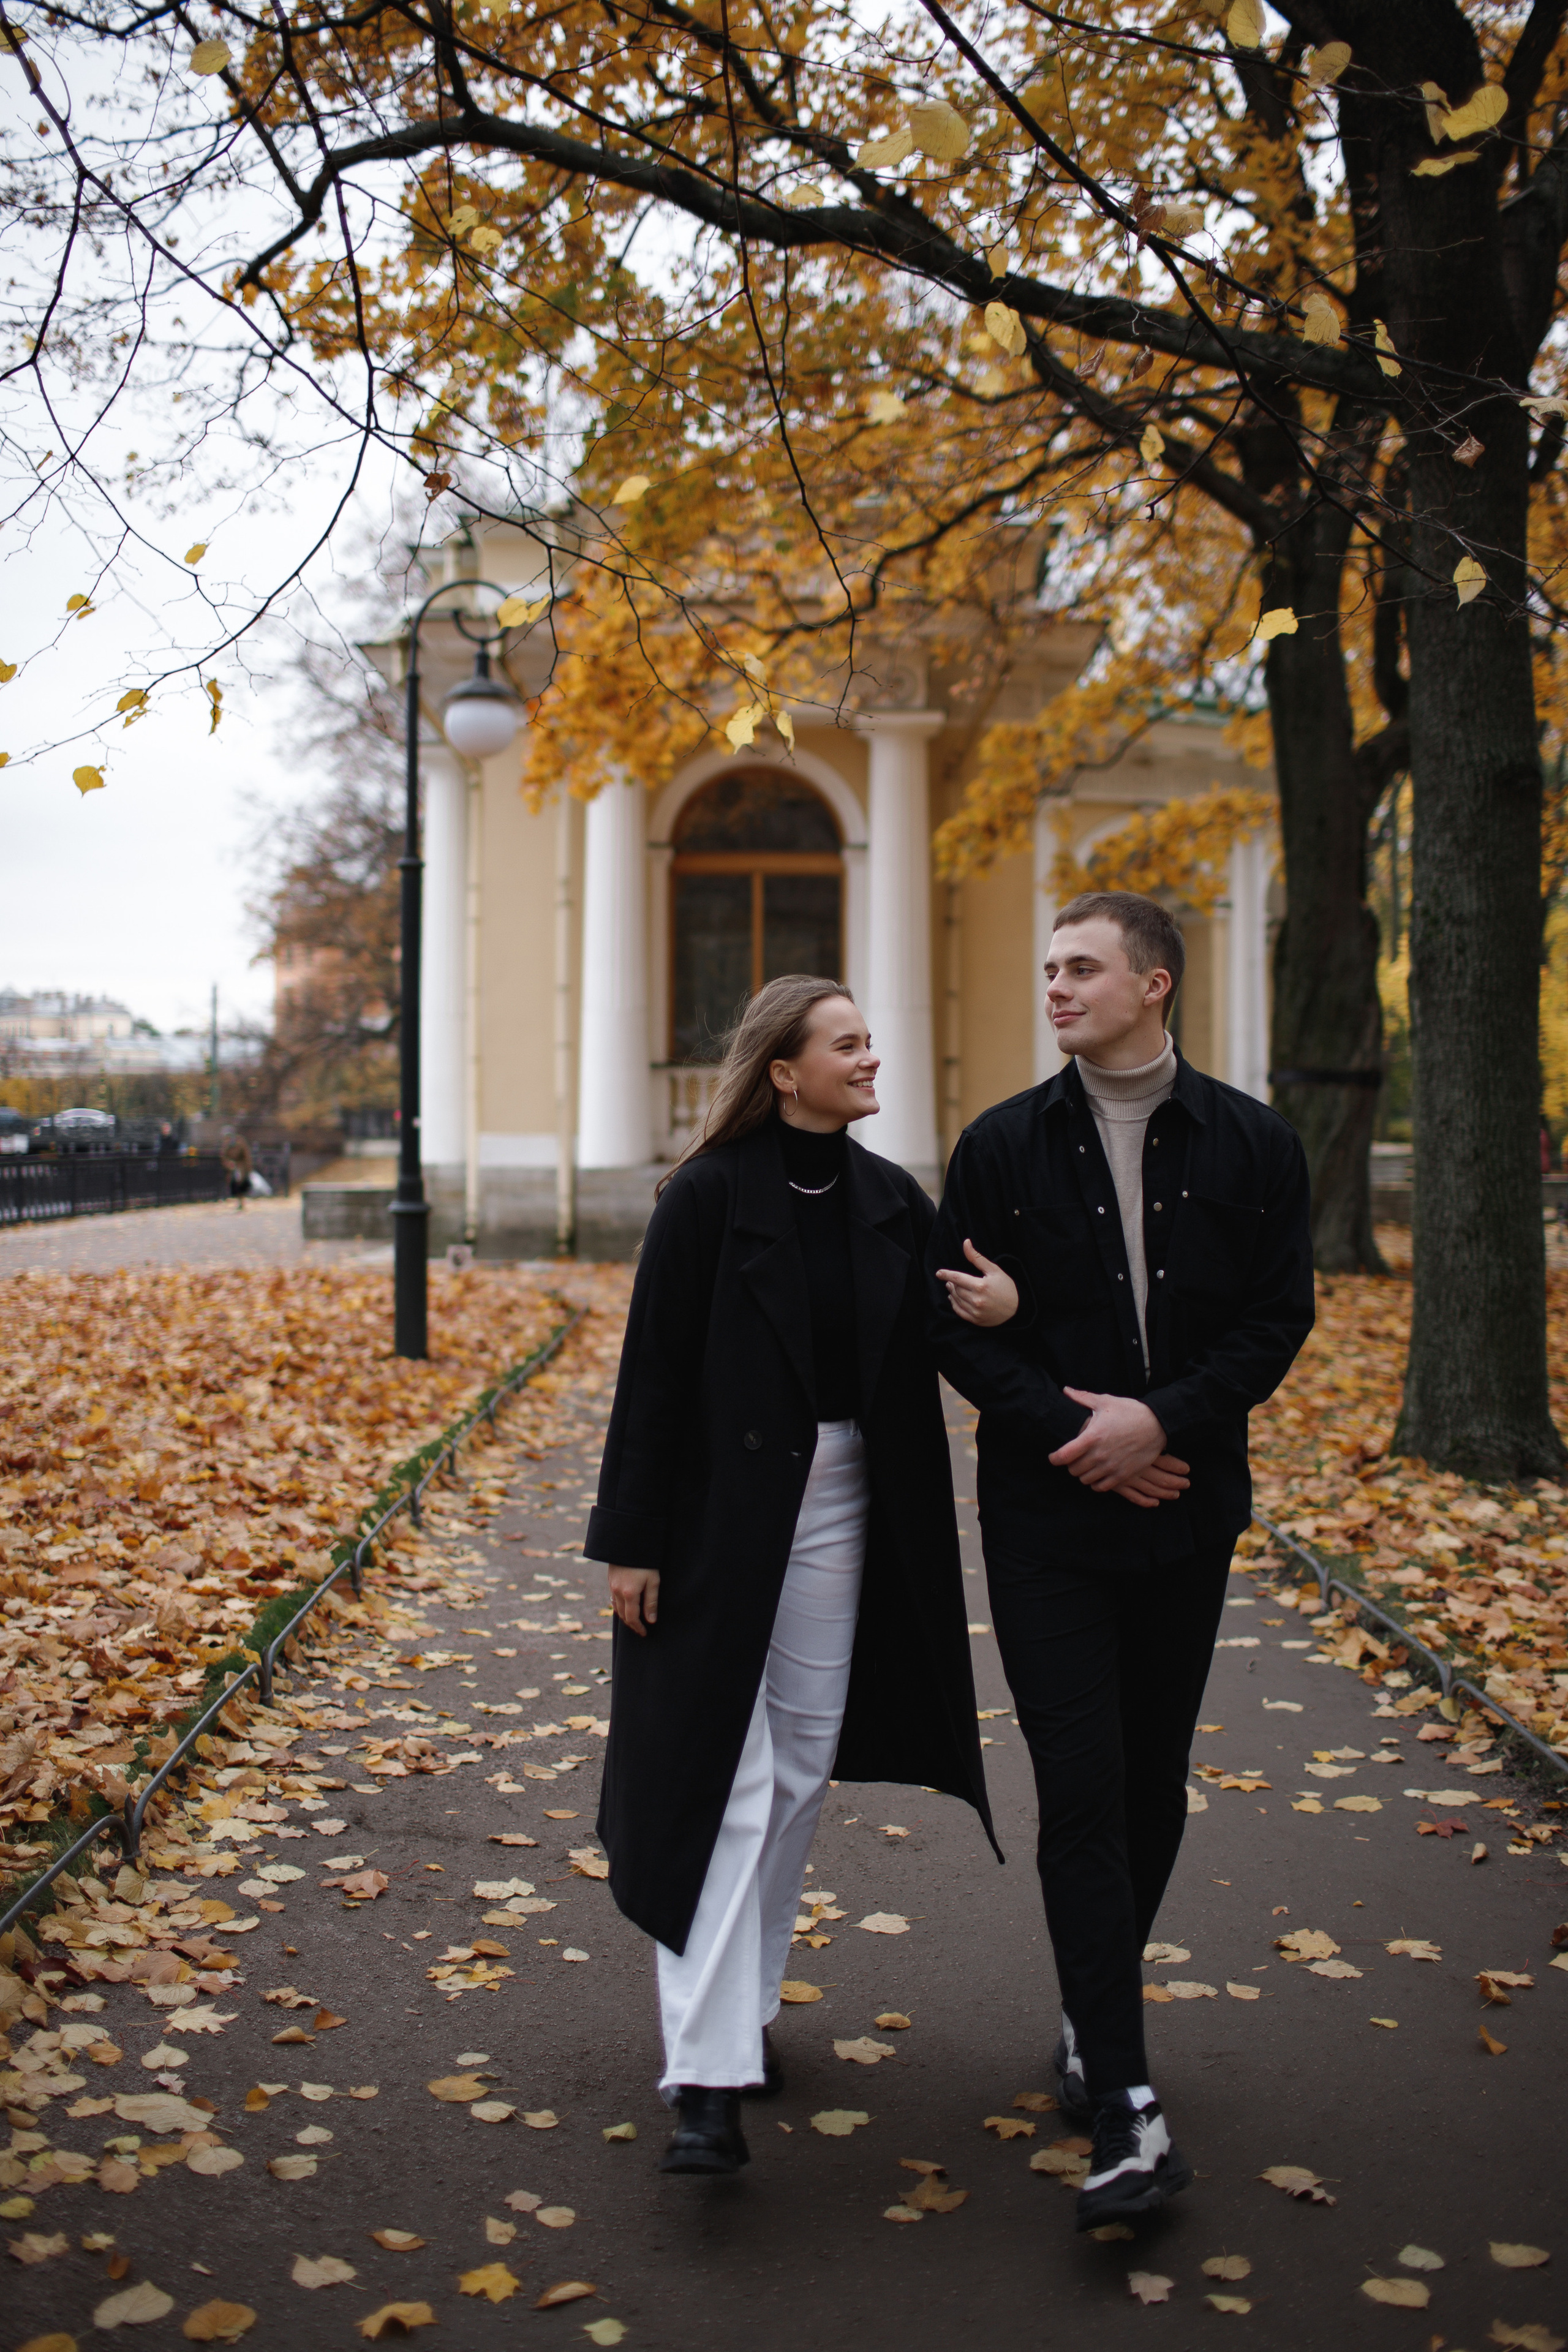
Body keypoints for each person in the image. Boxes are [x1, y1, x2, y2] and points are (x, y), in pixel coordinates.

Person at [929, 889, 1313, 2233]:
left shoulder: (1256, 1145)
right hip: (1046, 1525)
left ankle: (1089, 2023)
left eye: (1079, 966)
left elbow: (1277, 1319)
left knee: (1152, 1784)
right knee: (1082, 1790)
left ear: (1153, 983)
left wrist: (1166, 1424)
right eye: (1043, 968)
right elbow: (958, 1334)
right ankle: (1127, 2104)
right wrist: (1079, 1433)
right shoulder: (996, 1148)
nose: (1053, 986)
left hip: (1184, 1510)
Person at [586, 974, 997, 2176]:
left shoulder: (887, 1199)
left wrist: (1009, 1309)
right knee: (734, 1776)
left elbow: (948, 1334)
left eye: (870, 1041)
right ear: (782, 1069)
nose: (873, 1060)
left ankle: (743, 2010)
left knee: (804, 1757)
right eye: (848, 1044)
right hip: (718, 1516)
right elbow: (650, 1375)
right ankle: (704, 2079)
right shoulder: (703, 1199)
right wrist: (631, 1536)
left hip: (849, 1504)